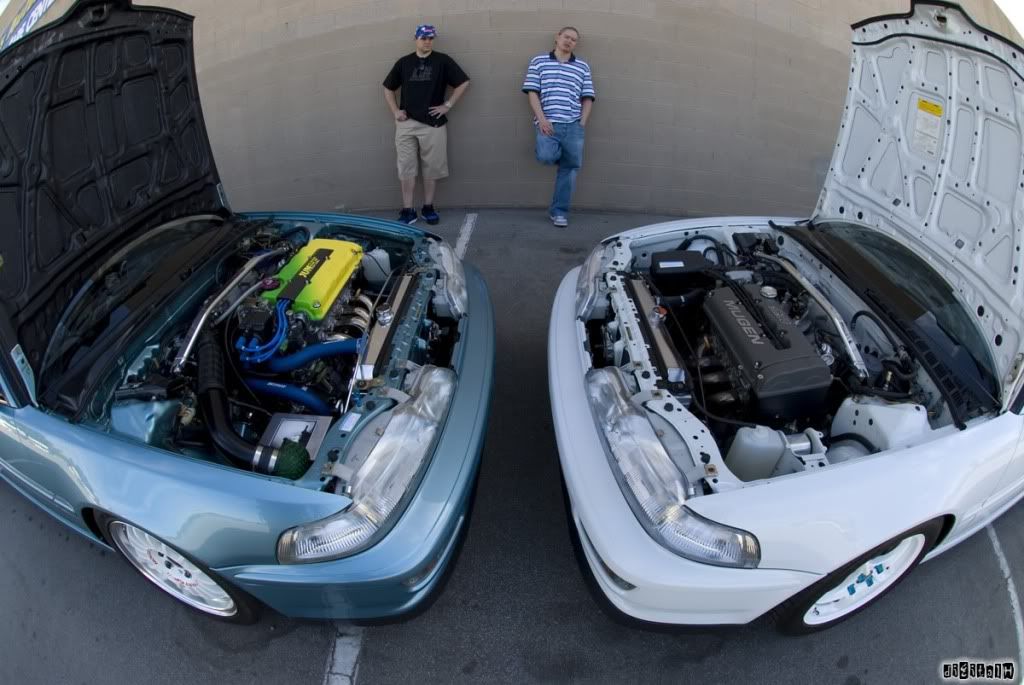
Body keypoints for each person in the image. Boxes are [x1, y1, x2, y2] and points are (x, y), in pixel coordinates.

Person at [383, 24, 470, 225]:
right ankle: (408, 210)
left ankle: (428, 207)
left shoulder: (442, 61)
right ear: (416, 39)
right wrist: (395, 111)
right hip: (406, 123)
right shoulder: (404, 63)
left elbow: (463, 82)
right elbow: (388, 88)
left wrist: (447, 105)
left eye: (430, 38)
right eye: (423, 38)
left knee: (432, 168)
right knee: (406, 168)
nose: (427, 41)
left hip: (433, 124)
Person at [522, 26, 595, 228]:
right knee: (546, 156)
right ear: (557, 37)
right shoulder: (539, 61)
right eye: (566, 37)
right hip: (548, 124)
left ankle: (559, 212)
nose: (569, 41)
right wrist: (542, 119)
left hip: (573, 125)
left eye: (574, 39)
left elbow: (588, 97)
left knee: (570, 170)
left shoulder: (582, 66)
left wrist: (581, 124)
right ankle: (558, 154)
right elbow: (532, 92)